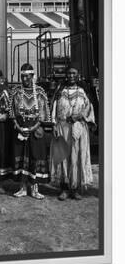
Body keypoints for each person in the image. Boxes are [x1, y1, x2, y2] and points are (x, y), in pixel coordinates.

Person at [50, 67, 96, 200]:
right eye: (69, 73)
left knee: (76, 157)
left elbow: (89, 108)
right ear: (66, 75)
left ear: (78, 75)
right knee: (63, 157)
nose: (71, 76)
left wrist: (79, 116)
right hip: (62, 127)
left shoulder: (82, 91)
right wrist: (54, 124)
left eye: (74, 73)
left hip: (77, 128)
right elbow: (54, 107)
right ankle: (64, 188)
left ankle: (75, 188)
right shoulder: (60, 91)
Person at [10, 63, 51, 200]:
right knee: (22, 158)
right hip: (20, 129)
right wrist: (20, 128)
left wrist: (32, 128)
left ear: (33, 76)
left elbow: (44, 114)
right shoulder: (16, 92)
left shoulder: (40, 92)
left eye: (27, 76)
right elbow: (12, 114)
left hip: (35, 130)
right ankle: (22, 188)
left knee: (35, 157)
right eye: (22, 76)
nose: (24, 79)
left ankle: (34, 188)